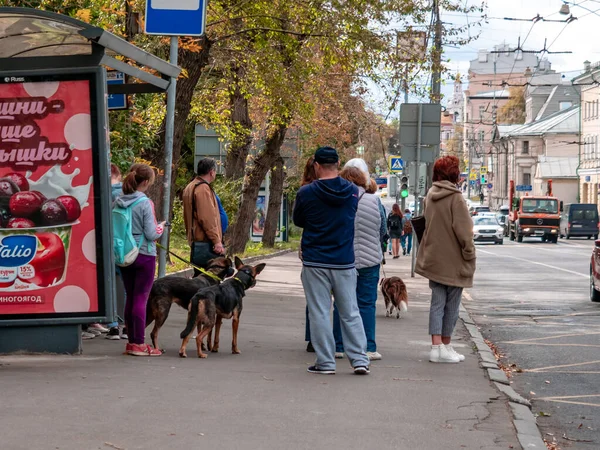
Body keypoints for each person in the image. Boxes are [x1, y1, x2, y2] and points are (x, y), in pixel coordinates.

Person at [293, 147, 370, 375]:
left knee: (319, 312)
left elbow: (298, 220)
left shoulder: (306, 193)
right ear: (337, 164)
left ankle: (325, 363)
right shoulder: (353, 192)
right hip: (344, 260)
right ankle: (359, 360)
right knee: (350, 312)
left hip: (315, 261)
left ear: (316, 165)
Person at [416, 155, 476, 364]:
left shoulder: (430, 196)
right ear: (454, 174)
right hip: (453, 260)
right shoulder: (456, 198)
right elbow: (464, 231)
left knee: (437, 302)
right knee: (452, 305)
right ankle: (447, 346)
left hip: (433, 257)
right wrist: (469, 253)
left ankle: (436, 348)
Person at [332, 164, 384, 361]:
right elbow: (382, 228)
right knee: (367, 304)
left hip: (345, 259)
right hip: (371, 260)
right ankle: (369, 347)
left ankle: (339, 346)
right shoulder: (374, 201)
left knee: (341, 303)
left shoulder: (338, 200)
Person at [116, 164, 165, 356]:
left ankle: (131, 343)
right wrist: (161, 226)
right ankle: (139, 343)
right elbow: (152, 233)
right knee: (141, 299)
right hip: (144, 254)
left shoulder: (119, 201)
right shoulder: (145, 203)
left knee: (130, 297)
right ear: (145, 182)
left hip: (124, 253)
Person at [182, 158, 224, 275]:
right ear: (211, 172)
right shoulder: (202, 189)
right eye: (215, 171)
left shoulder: (191, 186)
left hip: (197, 240)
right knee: (208, 280)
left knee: (199, 278)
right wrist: (216, 241)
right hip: (205, 242)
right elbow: (207, 218)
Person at [106, 164, 128, 340]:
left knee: (111, 286)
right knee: (128, 286)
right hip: (126, 246)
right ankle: (127, 324)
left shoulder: (103, 194)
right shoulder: (129, 195)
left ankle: (113, 325)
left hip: (108, 245)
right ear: (118, 175)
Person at [299, 157, 318, 354]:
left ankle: (312, 337)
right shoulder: (334, 189)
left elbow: (299, 220)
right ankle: (333, 339)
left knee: (313, 297)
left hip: (309, 247)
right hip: (333, 250)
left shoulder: (304, 190)